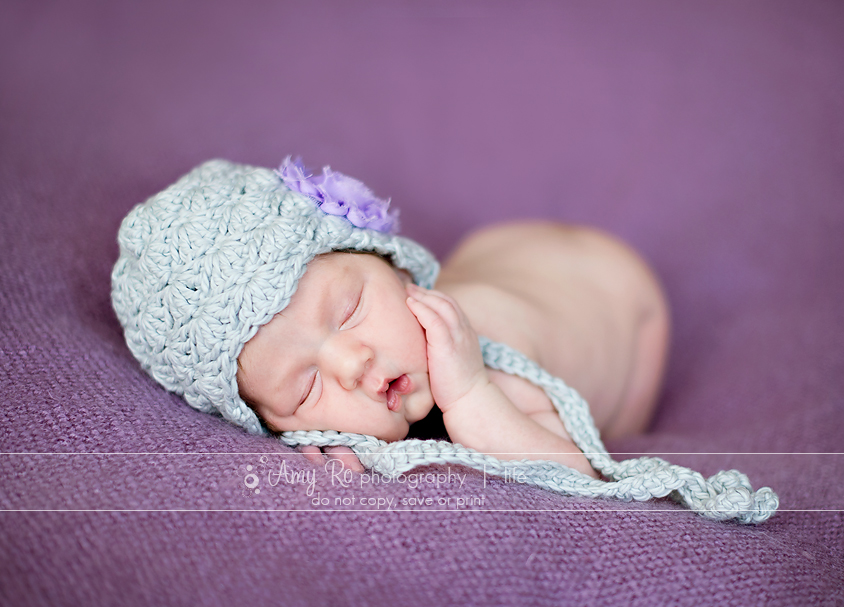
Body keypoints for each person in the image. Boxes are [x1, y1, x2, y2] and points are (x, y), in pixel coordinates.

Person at [113, 157, 670, 479]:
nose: (351, 363)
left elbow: (580, 474)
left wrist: (473, 395)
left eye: (350, 310)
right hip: (507, 254)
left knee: (621, 426)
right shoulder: (354, 386)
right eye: (306, 392)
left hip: (616, 292)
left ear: (396, 268)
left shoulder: (497, 361)